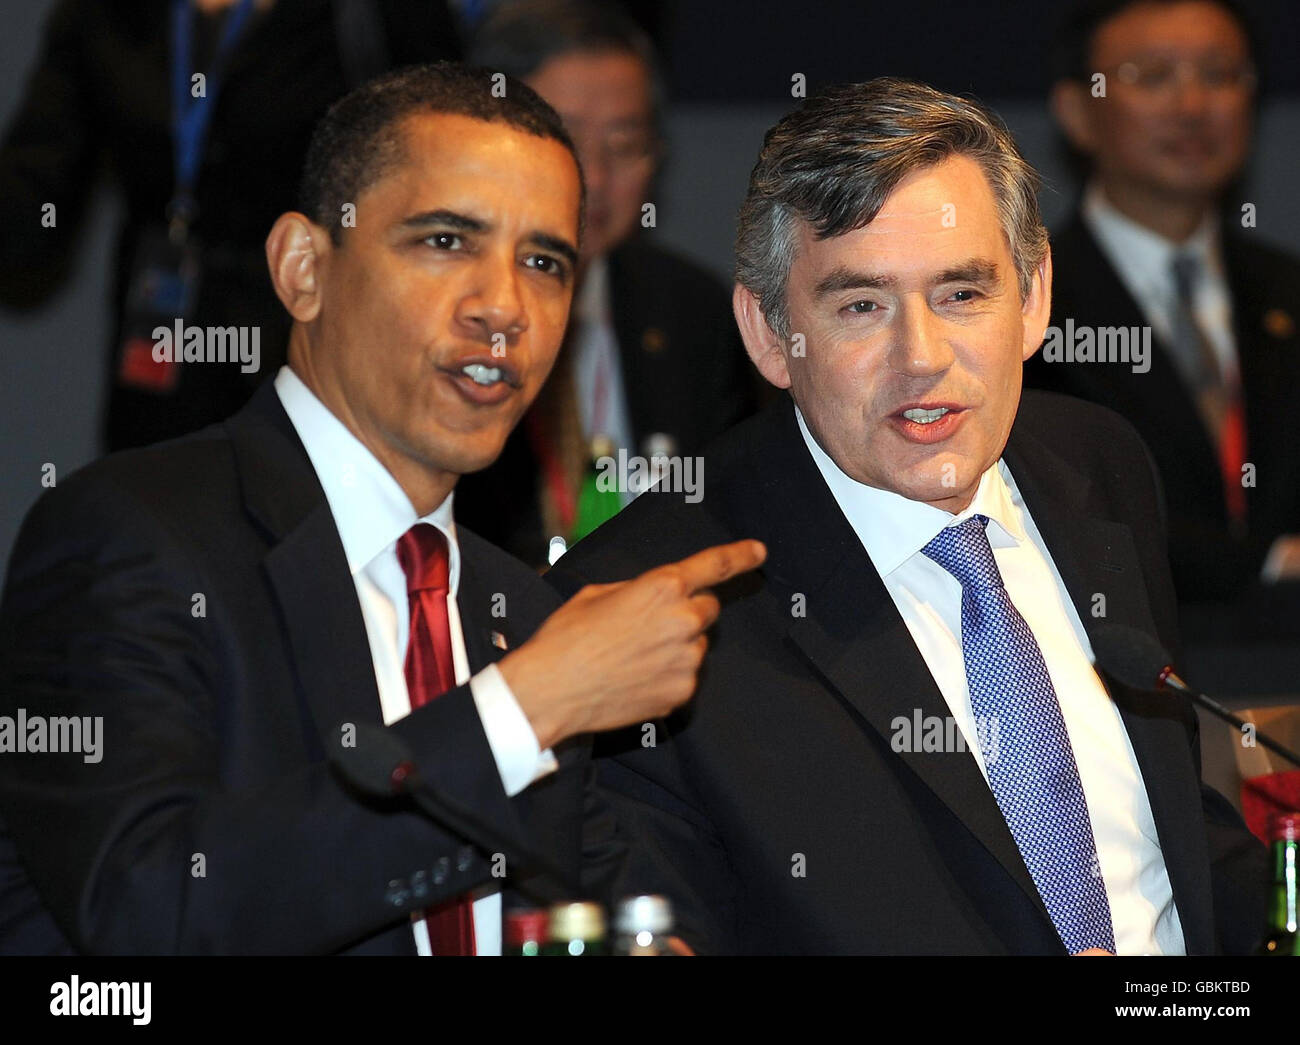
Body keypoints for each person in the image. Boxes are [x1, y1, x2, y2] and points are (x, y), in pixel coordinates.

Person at [0, 62, 763, 955]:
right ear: (303, 269)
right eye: (446, 241)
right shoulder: (129, 537)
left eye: (545, 261)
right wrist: (523, 707)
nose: (503, 307)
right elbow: (151, 909)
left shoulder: (519, 609)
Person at [547, 78, 1268, 955]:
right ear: (771, 333)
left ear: (1034, 297)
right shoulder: (644, 602)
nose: (920, 357)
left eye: (962, 295)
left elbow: (1164, 840)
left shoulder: (1097, 464)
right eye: (861, 306)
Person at [0, 0, 462, 452]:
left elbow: (443, 177)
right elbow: (31, 212)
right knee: (155, 509)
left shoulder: (371, 14)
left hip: (316, 364)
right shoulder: (105, 14)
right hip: (160, 356)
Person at [456, 0, 759, 567]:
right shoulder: (450, 310)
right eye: (563, 139)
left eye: (624, 146)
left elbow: (731, 509)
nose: (594, 178)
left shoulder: (690, 307)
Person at [1023, 0, 1300, 611]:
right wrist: (1272, 563)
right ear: (1076, 111)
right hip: (1121, 666)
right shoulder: (1025, 306)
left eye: (1220, 74)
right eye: (1152, 77)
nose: (1193, 106)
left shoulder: (1287, 290)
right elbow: (1060, 511)